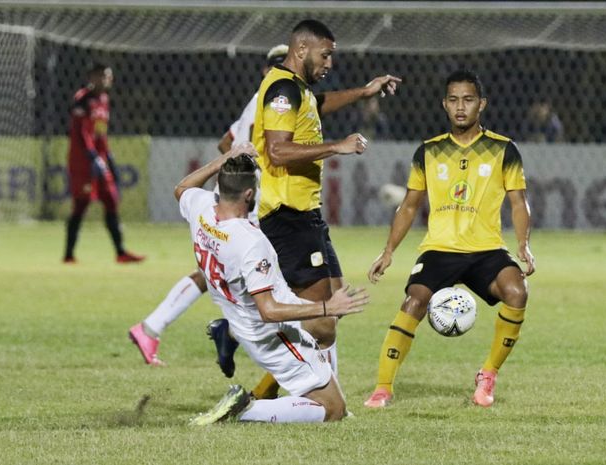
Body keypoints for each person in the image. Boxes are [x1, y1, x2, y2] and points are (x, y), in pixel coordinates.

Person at [363, 69, 536, 409]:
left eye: (468, 100)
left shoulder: (504, 149)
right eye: (454, 100)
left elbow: (518, 202)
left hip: (486, 249)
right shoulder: (428, 151)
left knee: (517, 292)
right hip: (439, 249)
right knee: (413, 302)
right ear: (444, 104)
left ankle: (488, 375)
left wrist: (523, 244)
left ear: (481, 104)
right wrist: (388, 251)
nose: (461, 107)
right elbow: (409, 205)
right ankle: (383, 387)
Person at [250, 18, 401, 399]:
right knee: (323, 322)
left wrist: (366, 92)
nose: (330, 63)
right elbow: (277, 151)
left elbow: (320, 103)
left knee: (335, 304)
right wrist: (336, 146)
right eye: (326, 54)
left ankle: (299, 392)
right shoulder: (282, 89)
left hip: (307, 215)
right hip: (288, 216)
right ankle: (302, 393)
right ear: (301, 50)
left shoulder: (298, 89)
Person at [177, 147, 369, 424]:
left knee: (326, 327)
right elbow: (269, 310)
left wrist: (223, 160)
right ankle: (244, 409)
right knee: (331, 411)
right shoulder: (251, 242)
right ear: (249, 194)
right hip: (268, 333)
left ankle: (228, 334)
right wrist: (328, 305)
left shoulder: (201, 207)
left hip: (240, 315)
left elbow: (182, 187)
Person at [128, 45, 288, 368]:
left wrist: (236, 163)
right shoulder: (275, 104)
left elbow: (227, 141)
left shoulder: (256, 101)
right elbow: (270, 150)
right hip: (247, 203)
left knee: (213, 272)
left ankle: (153, 327)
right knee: (267, 280)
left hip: (229, 194)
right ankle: (229, 335)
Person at [63, 63, 144, 264]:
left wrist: (108, 157)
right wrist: (92, 156)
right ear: (91, 77)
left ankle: (121, 252)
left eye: (106, 76)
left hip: (100, 159)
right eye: (99, 76)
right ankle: (68, 255)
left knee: (111, 200)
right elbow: (81, 133)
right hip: (83, 161)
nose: (104, 80)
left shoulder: (104, 100)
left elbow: (99, 133)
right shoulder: (82, 99)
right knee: (81, 204)